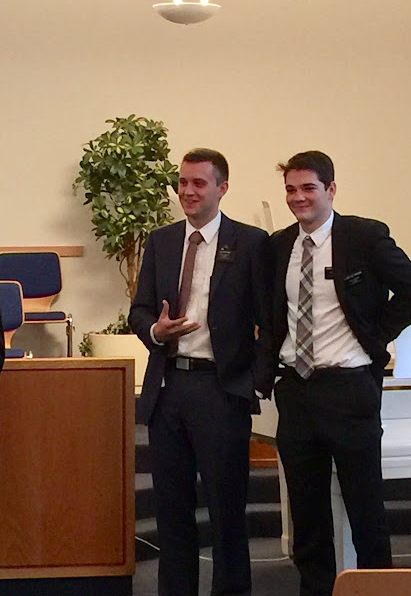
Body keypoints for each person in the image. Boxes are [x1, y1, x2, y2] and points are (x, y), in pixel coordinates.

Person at [270, 150, 411, 596]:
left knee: (365, 509)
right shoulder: (279, 245)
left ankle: (378, 589)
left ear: (331, 189)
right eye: (290, 189)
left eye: (308, 188)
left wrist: (373, 337)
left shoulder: (363, 236)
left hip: (349, 388)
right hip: (297, 390)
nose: (298, 198)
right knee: (307, 515)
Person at [129, 148, 273, 596]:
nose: (187, 191)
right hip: (168, 388)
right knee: (172, 513)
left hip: (220, 389)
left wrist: (254, 382)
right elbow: (139, 311)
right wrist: (156, 330)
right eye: (182, 182)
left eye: (198, 183)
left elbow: (271, 322)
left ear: (222, 188)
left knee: (227, 513)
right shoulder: (161, 241)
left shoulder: (250, 243)